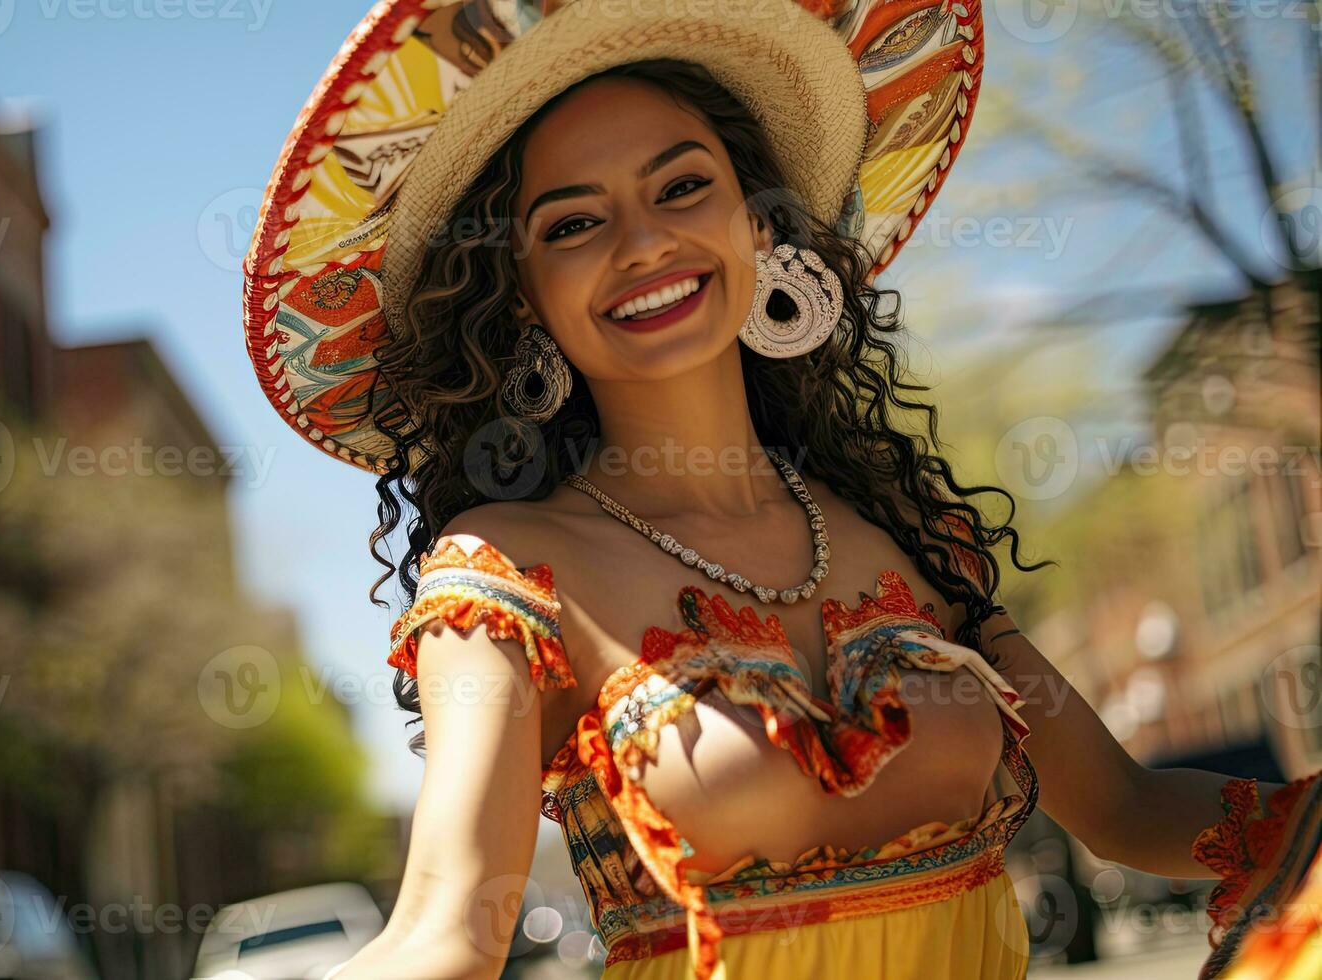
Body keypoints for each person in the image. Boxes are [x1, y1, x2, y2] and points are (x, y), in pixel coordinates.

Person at [239, 2, 1322, 978]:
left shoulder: (906, 534)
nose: (646, 240)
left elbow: (1126, 807)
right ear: (520, 294)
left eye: (682, 187)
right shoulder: (506, 574)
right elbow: (443, 931)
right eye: (573, 222)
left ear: (760, 227)